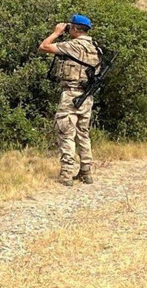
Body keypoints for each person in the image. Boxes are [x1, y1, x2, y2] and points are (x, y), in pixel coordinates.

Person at [38, 14, 102, 186]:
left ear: (75, 28)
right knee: (83, 133)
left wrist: (57, 32)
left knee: (66, 132)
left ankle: (66, 174)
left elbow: (44, 46)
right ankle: (86, 172)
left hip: (71, 94)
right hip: (87, 96)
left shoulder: (74, 46)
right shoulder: (95, 47)